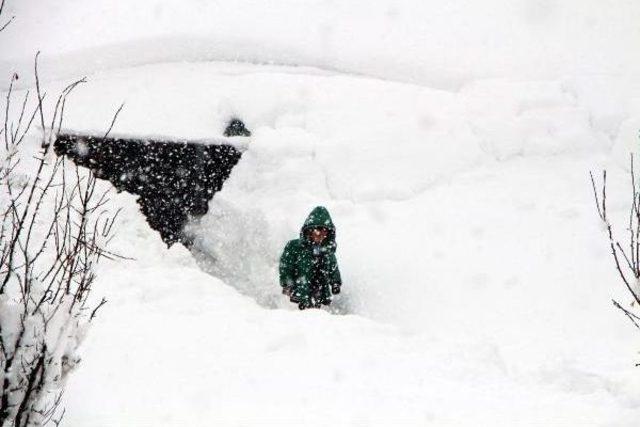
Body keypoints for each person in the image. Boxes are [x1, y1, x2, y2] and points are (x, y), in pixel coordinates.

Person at [279, 206, 342, 310]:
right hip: (299, 286)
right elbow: (286, 265)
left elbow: (333, 267)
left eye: (325, 230)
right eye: (318, 229)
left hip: (319, 288)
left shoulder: (327, 250)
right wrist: (288, 283)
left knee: (314, 314)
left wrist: (335, 282)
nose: (321, 233)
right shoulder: (295, 246)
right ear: (310, 229)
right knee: (297, 313)